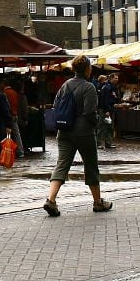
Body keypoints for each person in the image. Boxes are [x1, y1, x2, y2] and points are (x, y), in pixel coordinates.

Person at [42, 54, 111, 216]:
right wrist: (97, 122)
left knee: (62, 165)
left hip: (64, 130)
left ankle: (51, 200)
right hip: (83, 132)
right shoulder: (89, 87)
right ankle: (98, 202)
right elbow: (89, 112)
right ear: (87, 69)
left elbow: (56, 105)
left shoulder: (65, 85)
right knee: (91, 165)